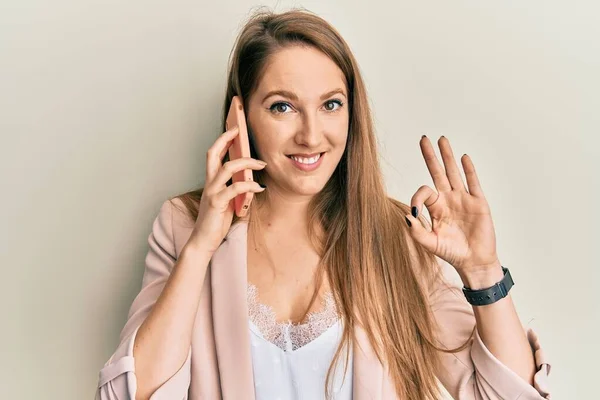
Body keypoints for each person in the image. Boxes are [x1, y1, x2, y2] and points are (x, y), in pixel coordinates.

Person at [95, 8, 551, 400]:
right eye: (282, 107)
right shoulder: (183, 225)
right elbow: (131, 394)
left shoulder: (397, 235)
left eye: (331, 105)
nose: (311, 135)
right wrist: (201, 248)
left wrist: (483, 272)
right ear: (241, 117)